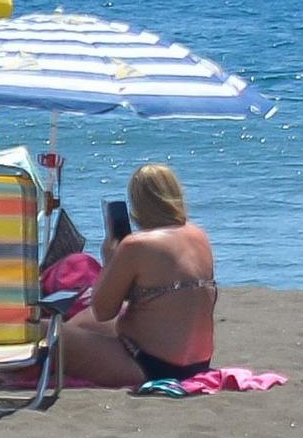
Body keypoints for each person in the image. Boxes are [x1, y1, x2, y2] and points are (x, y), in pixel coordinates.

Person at [58, 164, 217, 386]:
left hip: (149, 365)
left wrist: (110, 260)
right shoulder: (200, 236)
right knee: (85, 322)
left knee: (47, 333)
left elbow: (103, 310)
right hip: (198, 364)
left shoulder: (135, 245)